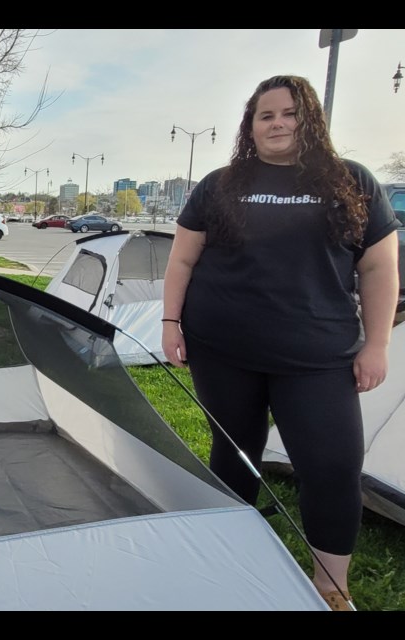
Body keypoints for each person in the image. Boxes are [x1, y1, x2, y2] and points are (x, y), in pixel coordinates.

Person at [161, 75, 399, 611]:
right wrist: (170, 322)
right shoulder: (220, 184)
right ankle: (225, 560)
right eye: (265, 115)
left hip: (317, 358)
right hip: (222, 350)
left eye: (289, 113)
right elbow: (182, 258)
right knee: (234, 454)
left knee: (333, 467)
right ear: (250, 125)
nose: (277, 124)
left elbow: (381, 268)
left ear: (310, 119)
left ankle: (330, 588)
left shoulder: (352, 181)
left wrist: (377, 344)